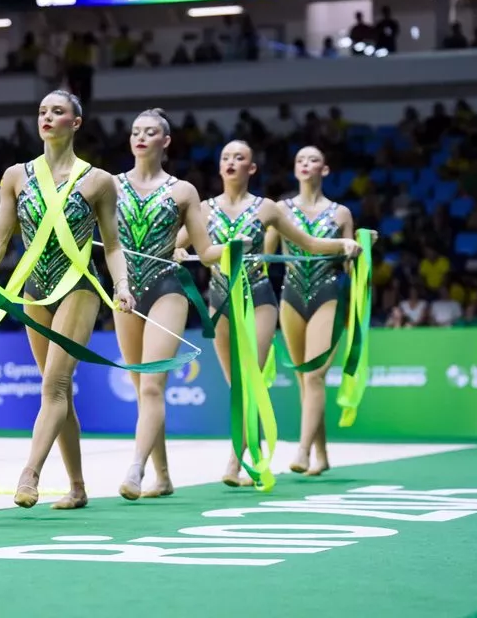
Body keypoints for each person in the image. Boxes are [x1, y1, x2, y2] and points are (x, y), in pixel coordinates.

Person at [0, 90, 134, 510]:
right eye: (42, 111)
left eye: (58, 111)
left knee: (54, 386)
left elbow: (113, 245)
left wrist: (121, 286)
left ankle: (30, 472)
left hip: (79, 287)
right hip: (35, 288)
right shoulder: (16, 176)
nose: (47, 117)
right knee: (58, 393)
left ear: (76, 122)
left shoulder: (98, 181)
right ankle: (78, 487)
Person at [174, 140, 361, 486]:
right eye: (225, 156)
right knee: (238, 389)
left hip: (259, 298)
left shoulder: (269, 209)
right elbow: (178, 245)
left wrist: (343, 245)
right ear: (219, 167)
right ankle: (255, 451)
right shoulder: (204, 209)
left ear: (252, 168)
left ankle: (236, 461)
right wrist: (180, 254)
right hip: (219, 301)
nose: (231, 162)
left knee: (251, 381)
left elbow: (309, 244)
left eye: (240, 157)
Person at [111, 108, 229, 500]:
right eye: (135, 131)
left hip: (167, 289)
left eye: (151, 132)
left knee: (152, 387)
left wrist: (232, 252)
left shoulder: (182, 191)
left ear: (166, 141)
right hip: (125, 290)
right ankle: (162, 475)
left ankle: (136, 470)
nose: (141, 137)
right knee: (139, 383)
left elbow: (205, 248)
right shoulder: (109, 186)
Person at [266, 146, 355, 477]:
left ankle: (302, 451)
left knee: (315, 374)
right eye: (300, 160)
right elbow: (265, 257)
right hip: (291, 295)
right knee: (304, 378)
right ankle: (322, 452)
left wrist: (362, 248)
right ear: (294, 169)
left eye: (313, 160)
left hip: (328, 294)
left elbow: (349, 263)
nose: (306, 164)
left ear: (325, 169)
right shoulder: (280, 210)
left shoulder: (341, 213)